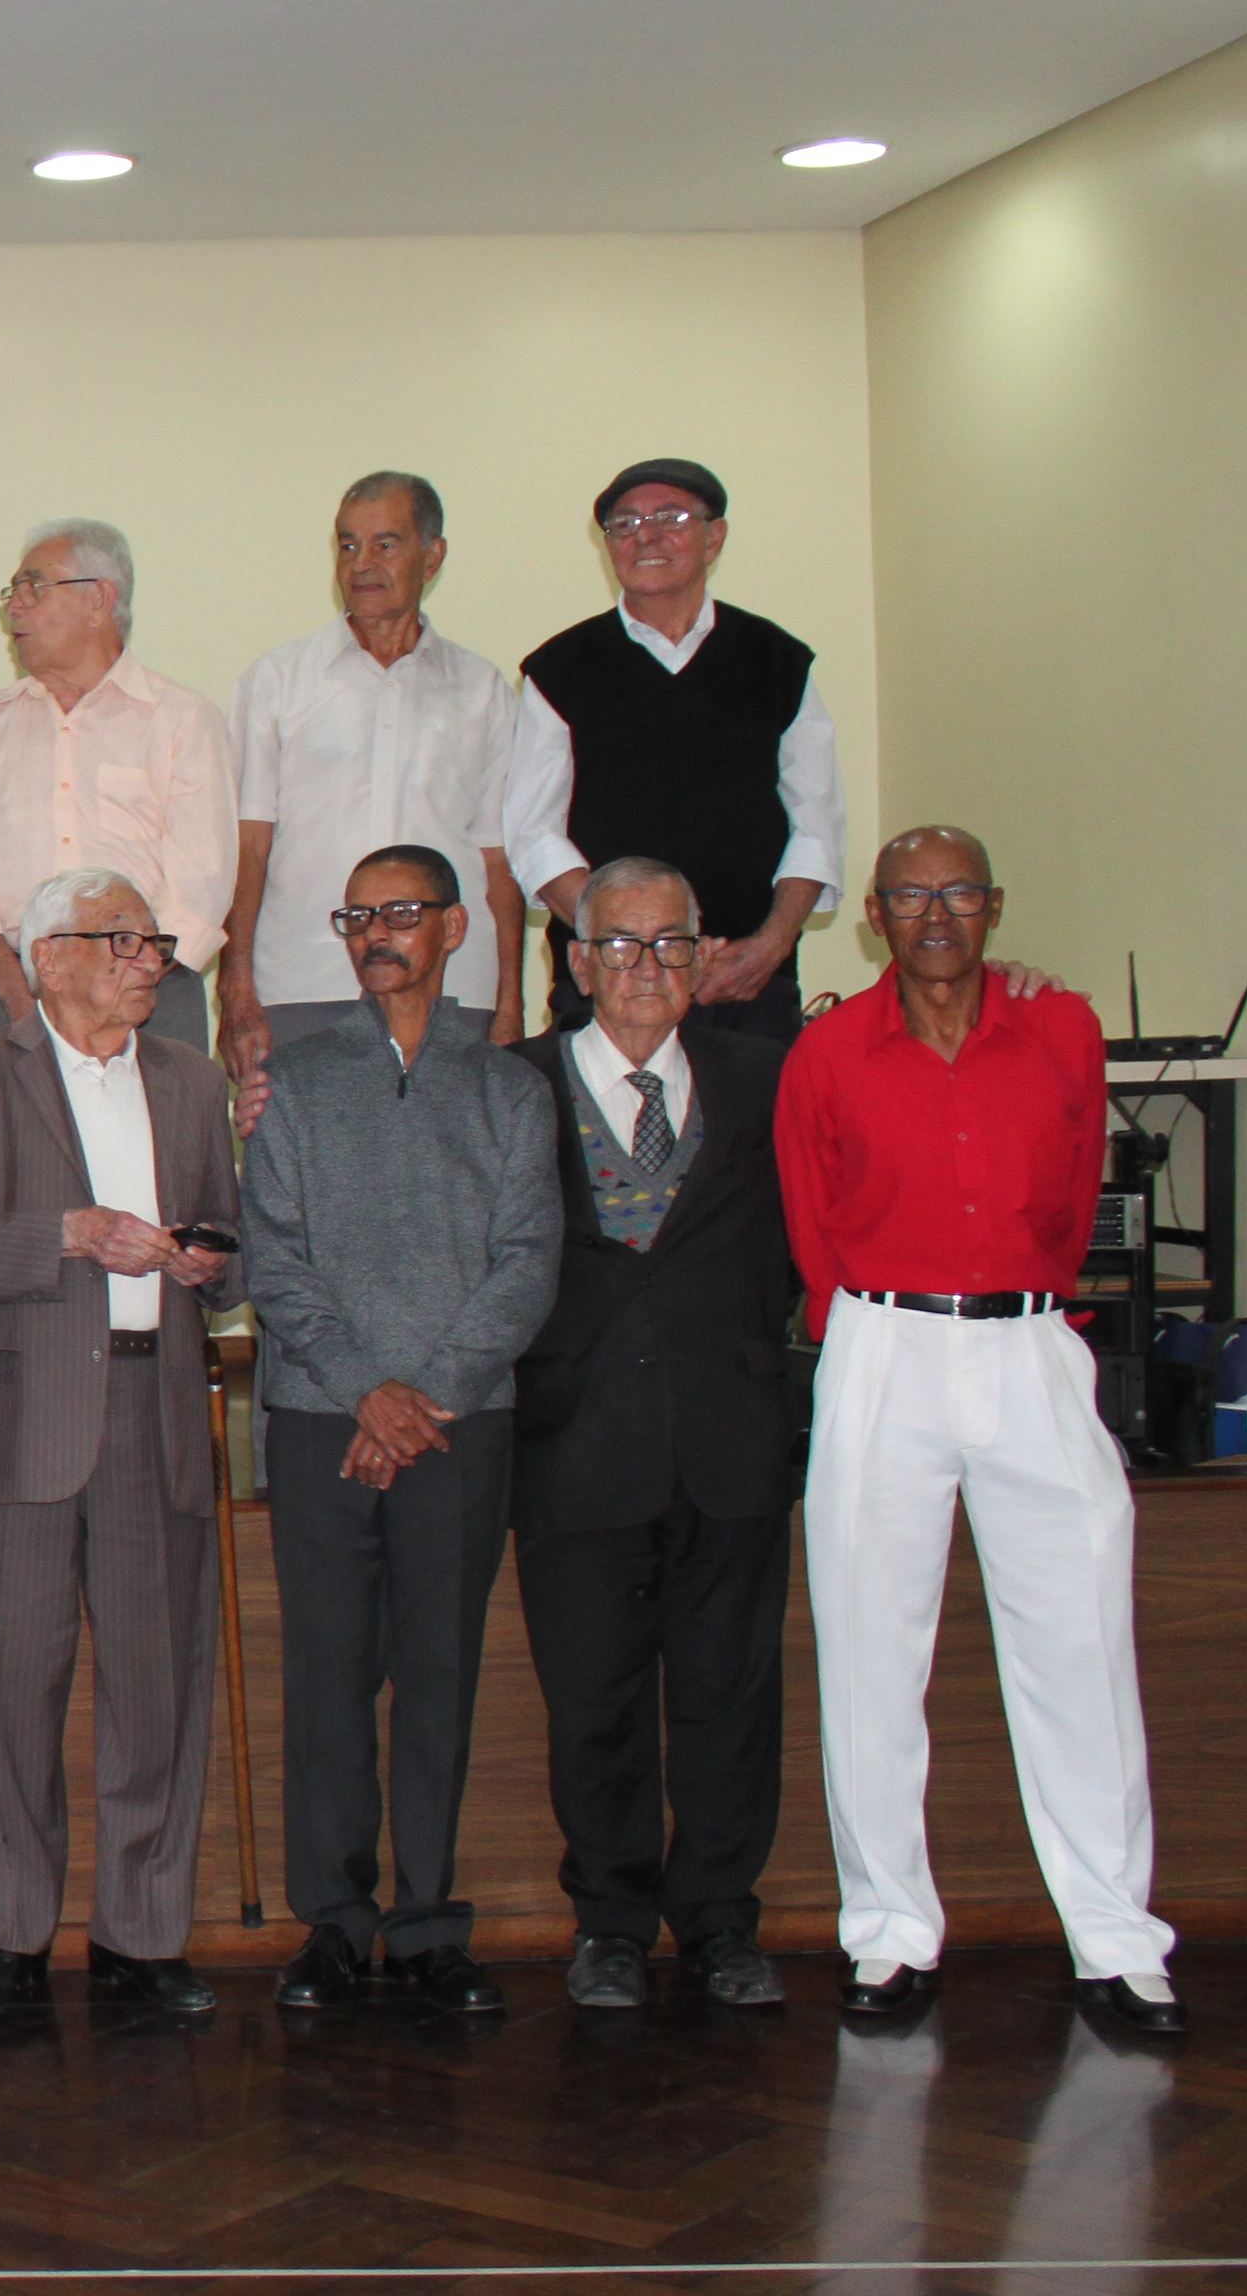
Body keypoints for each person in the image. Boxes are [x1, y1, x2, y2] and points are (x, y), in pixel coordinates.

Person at [780, 827, 1180, 2035]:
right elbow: (812, 1219)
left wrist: (1011, 1299)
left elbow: (1072, 1195)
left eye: (957, 892)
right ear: (875, 920)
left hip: (1029, 1344)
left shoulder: (1062, 1028)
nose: (935, 914)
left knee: (1082, 1650)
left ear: (994, 907)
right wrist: (876, 1322)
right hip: (882, 1345)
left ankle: (1119, 1944)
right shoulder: (827, 1051)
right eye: (909, 895)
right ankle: (888, 1936)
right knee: (869, 1655)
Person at [0, 872, 245, 2017]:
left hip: (158, 1412)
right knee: (8, 1690)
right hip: (19, 1422)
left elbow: (230, 1251)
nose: (150, 962)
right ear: (48, 955)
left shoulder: (192, 1082)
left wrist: (208, 1260)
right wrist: (67, 1235)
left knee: (158, 1691)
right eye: (122, 941)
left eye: (154, 943)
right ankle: (8, 1940)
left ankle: (144, 1939)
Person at [237, 846, 560, 2018]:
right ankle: (333, 1921)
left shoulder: (511, 1090)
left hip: (459, 1431)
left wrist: (423, 1395)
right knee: (327, 1681)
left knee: (437, 1675)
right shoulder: (292, 1081)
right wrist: (365, 1390)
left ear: (454, 929)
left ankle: (426, 1922)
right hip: (320, 1422)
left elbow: (527, 1265)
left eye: (402, 913)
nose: (377, 934)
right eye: (358, 916)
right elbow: (274, 1256)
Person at [510, 855, 802, 2013]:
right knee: (595, 1706)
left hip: (732, 1438)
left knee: (731, 1703)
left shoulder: (768, 1078)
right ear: (580, 964)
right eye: (620, 945)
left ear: (702, 957)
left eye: (670, 943)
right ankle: (612, 1925)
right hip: (574, 1443)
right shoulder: (511, 1087)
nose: (645, 966)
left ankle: (722, 1922)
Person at [506, 459, 845, 1043]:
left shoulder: (777, 662)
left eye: (671, 518)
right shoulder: (560, 669)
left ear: (714, 538)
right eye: (625, 523)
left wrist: (770, 946)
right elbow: (533, 834)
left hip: (747, 984)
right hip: (607, 988)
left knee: (751, 1107)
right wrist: (633, 949)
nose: (646, 536)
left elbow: (816, 827)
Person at [223, 474, 527, 1103]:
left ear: (432, 557)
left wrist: (509, 1000)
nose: (362, 564)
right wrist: (236, 986)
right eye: (347, 545)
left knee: (452, 1159)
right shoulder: (278, 681)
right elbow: (248, 846)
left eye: (386, 545)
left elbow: (499, 861)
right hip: (304, 979)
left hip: (452, 985)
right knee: (300, 1157)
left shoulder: (483, 690)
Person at [0, 522, 234, 1046]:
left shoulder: (182, 719)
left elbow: (200, 885)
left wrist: (115, 984)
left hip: (151, 997)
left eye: (34, 587)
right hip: (12, 996)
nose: (14, 607)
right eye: (13, 591)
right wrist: (22, 994)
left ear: (98, 600)